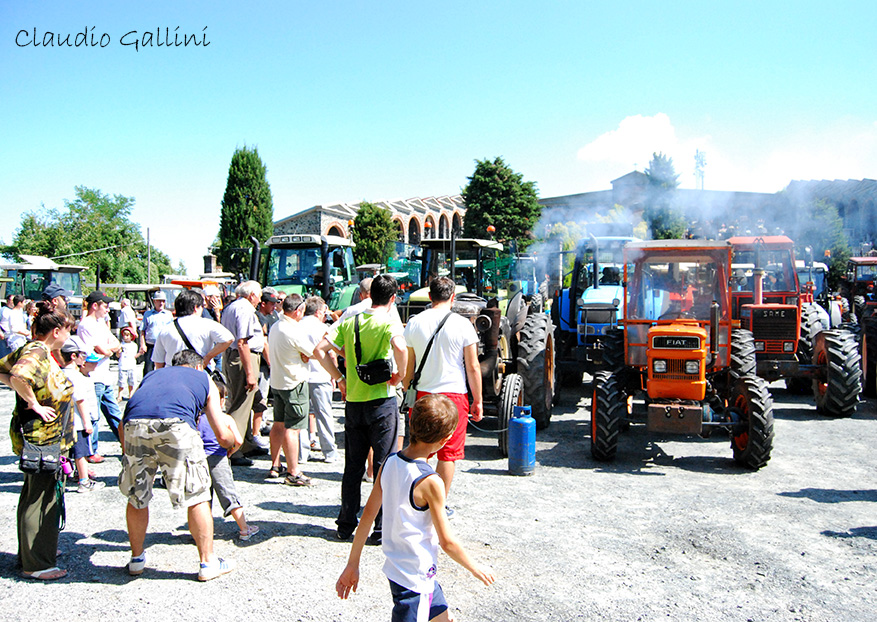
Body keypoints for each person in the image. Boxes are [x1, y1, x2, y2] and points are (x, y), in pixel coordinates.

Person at [336, 394, 495, 620]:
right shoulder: (431, 482)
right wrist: (475, 567)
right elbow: (447, 542)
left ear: (411, 423)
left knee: (444, 618)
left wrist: (353, 564)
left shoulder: (389, 463)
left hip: (401, 569)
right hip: (416, 579)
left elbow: (368, 515)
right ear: (447, 438)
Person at [119, 349, 242, 581]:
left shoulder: (152, 375)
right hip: (176, 426)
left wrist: (127, 450)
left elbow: (126, 417)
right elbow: (220, 431)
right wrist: (230, 444)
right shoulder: (204, 378)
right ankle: (207, 562)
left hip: (135, 426)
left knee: (137, 494)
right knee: (196, 495)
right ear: (198, 366)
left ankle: (136, 559)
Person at [314, 274, 407, 543]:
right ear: (392, 298)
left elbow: (320, 349)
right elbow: (400, 347)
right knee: (382, 466)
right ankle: (380, 527)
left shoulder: (351, 319)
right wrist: (400, 374)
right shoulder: (389, 320)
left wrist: (340, 377)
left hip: (354, 401)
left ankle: (345, 524)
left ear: (367, 295)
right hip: (381, 400)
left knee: (352, 466)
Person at [0, 302, 75, 580]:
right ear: (56, 331)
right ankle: (37, 564)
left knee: (34, 495)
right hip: (43, 438)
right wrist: (33, 403)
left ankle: (30, 556)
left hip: (43, 438)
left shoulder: (35, 349)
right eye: (68, 331)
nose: (69, 337)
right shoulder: (37, 351)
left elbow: (4, 371)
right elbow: (18, 375)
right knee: (42, 499)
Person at [402, 277, 483, 515]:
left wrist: (408, 391)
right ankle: (439, 505)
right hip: (454, 395)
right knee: (448, 455)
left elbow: (409, 365)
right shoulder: (463, 324)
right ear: (453, 298)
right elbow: (473, 367)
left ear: (430, 296)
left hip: (424, 394)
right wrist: (477, 400)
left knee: (421, 450)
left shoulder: (414, 323)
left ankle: (416, 500)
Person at [197, 378, 259, 542]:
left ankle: (200, 533)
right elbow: (238, 440)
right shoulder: (226, 419)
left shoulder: (197, 418)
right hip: (219, 458)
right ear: (222, 400)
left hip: (200, 460)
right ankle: (244, 529)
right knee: (228, 494)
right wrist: (231, 452)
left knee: (202, 497)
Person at [266, 294, 314, 485]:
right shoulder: (294, 331)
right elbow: (311, 353)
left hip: (277, 382)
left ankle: (275, 465)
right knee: (293, 428)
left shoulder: (276, 326)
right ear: (298, 311)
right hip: (294, 383)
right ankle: (293, 471)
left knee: (278, 424)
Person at [220, 280, 264, 465]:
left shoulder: (230, 307)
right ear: (252, 294)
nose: (260, 299)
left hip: (232, 356)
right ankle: (234, 449)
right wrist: (250, 373)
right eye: (259, 295)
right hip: (243, 357)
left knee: (243, 402)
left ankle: (245, 444)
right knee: (241, 403)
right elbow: (242, 342)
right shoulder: (245, 309)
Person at [77, 290, 123, 454]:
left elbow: (116, 343)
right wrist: (109, 349)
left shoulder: (101, 323)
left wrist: (109, 349)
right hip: (94, 376)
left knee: (115, 414)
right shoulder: (86, 325)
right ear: (94, 306)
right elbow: (102, 349)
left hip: (105, 376)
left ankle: (126, 444)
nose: (108, 309)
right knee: (93, 416)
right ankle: (91, 451)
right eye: (105, 306)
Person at [59, 336, 105, 493]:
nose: (84, 358)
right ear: (74, 356)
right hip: (78, 422)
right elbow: (81, 401)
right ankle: (84, 481)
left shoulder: (59, 373)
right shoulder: (76, 376)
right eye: (82, 355)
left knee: (68, 453)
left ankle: (70, 474)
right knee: (81, 453)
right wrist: (87, 423)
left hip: (63, 422)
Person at [298, 296, 339, 464]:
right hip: (320, 375)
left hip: (300, 376)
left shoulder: (297, 326)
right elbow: (331, 352)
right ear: (318, 312)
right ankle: (329, 451)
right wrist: (335, 375)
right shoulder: (323, 328)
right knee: (324, 415)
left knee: (302, 417)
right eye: (323, 311)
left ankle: (302, 453)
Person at [151, 288, 233, 371]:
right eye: (202, 307)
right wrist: (207, 357)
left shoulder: (165, 329)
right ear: (195, 308)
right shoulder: (207, 324)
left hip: (173, 374)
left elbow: (158, 361)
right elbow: (229, 339)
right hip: (199, 372)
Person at [138, 291, 173, 376]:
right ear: (154, 301)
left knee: (163, 368)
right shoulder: (148, 314)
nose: (161, 303)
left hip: (164, 345)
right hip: (151, 345)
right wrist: (142, 344)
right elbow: (142, 330)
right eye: (159, 301)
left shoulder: (168, 315)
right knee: (148, 368)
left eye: (163, 301)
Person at [117, 327, 138, 400]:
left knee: (131, 381)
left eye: (127, 335)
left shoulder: (134, 345)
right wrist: (118, 352)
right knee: (121, 381)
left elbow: (134, 356)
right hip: (123, 365)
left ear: (131, 336)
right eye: (124, 335)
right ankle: (120, 395)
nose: (125, 337)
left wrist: (140, 353)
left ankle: (131, 394)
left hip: (131, 365)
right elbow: (118, 356)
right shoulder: (121, 345)